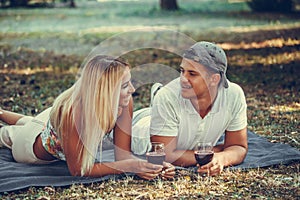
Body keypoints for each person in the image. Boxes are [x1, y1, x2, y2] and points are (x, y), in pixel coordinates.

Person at [0, 55, 175, 180]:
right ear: (106, 91)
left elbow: (123, 157)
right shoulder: (71, 114)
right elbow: (78, 170)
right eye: (124, 86)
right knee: (9, 133)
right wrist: (131, 167)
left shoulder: (123, 104)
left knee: (30, 121)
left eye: (130, 82)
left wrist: (150, 166)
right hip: (29, 148)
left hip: (50, 124)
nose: (132, 90)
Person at [149, 41, 248, 176]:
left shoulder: (233, 95)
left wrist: (221, 158)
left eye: (192, 74)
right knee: (161, 102)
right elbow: (166, 155)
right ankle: (156, 99)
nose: (183, 79)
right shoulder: (166, 97)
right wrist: (219, 151)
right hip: (141, 128)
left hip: (184, 136)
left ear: (214, 79)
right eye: (182, 71)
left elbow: (239, 147)